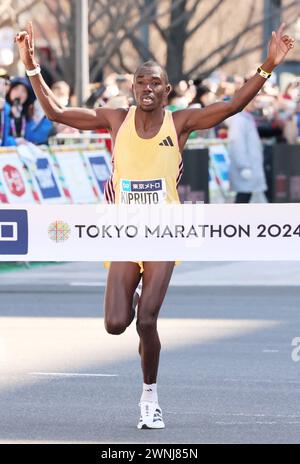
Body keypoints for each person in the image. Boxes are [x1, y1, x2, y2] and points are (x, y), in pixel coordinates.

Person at [15, 21, 295, 430]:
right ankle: (135, 288)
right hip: (123, 231)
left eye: (155, 83)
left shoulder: (179, 123)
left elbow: (232, 105)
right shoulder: (115, 119)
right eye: (141, 81)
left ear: (166, 90)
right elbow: (56, 112)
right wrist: (32, 67)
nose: (147, 87)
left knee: (147, 320)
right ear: (133, 88)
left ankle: (150, 397)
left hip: (164, 230)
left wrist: (268, 65)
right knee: (115, 324)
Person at [226, 99, 268, 203]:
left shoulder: (247, 118)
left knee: (248, 196)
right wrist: (243, 166)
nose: (254, 103)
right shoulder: (239, 120)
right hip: (245, 169)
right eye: (252, 101)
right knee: (243, 197)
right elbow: (237, 143)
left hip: (251, 167)